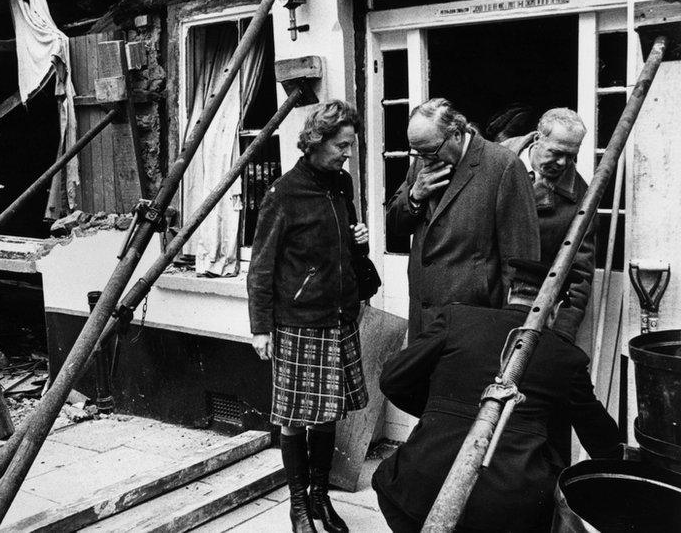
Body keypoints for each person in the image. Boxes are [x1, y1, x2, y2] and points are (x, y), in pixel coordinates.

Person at [371, 259, 622, 532]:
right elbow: (603, 442)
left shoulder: (458, 319)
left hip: (417, 491)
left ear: (510, 292)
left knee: (389, 481)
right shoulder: (566, 357)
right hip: (508, 511)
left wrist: (441, 411)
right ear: (558, 308)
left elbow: (393, 379)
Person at [248, 100, 371, 533]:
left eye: (351, 145)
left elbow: (345, 248)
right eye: (342, 145)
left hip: (339, 317)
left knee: (328, 412)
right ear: (316, 142)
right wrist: (260, 327)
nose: (347, 153)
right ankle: (297, 506)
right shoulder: (283, 193)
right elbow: (261, 266)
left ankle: (320, 497)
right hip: (299, 320)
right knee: (295, 416)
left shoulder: (342, 184)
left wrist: (359, 237)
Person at [385, 98, 540, 340]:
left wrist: (509, 325)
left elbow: (521, 261)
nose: (424, 160)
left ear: (457, 134)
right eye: (418, 152)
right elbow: (394, 225)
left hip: (474, 323)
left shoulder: (504, 167)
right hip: (424, 320)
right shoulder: (422, 163)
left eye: (430, 151)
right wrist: (415, 195)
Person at [501, 108, 594, 342]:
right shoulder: (493, 159)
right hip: (477, 302)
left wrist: (561, 335)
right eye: (556, 152)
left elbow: (579, 274)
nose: (563, 162)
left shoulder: (582, 199)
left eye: (571, 155)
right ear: (536, 139)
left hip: (524, 314)